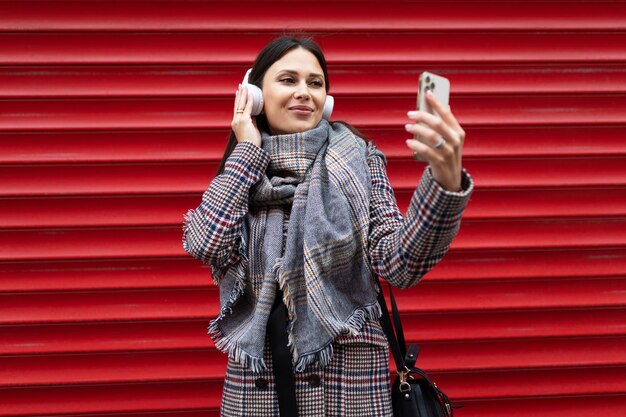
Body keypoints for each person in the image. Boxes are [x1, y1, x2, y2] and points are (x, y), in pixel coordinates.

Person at [182, 35, 473, 417]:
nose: (304, 92)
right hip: (257, 394)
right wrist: (248, 152)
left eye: (315, 83)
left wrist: (444, 182)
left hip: (347, 393)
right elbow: (206, 243)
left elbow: (398, 264)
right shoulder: (243, 170)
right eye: (288, 80)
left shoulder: (358, 159)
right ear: (253, 94)